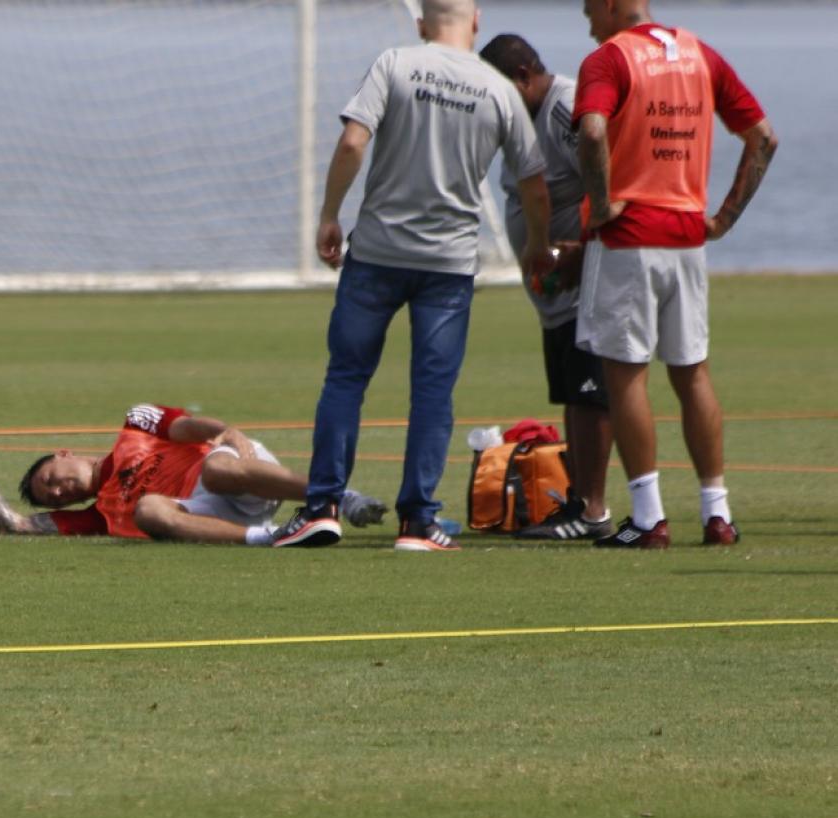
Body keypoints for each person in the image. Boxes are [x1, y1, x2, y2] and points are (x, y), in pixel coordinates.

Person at [273, 0, 551, 553]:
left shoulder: (394, 63)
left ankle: (321, 507)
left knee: (346, 379)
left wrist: (331, 214)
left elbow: (354, 142)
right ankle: (418, 522)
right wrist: (539, 249)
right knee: (432, 394)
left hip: (376, 254)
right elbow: (534, 183)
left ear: (422, 23)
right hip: (447, 267)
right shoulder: (497, 89)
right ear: (475, 23)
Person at [574, 0, 775, 548]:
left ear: (614, 3)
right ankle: (718, 514)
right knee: (693, 374)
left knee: (626, 375)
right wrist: (724, 218)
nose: (587, 17)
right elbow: (763, 136)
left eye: (590, 5)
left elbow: (592, 132)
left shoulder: (609, 59)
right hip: (687, 241)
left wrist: (599, 200)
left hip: (627, 242)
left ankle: (648, 517)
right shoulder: (698, 53)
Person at [480, 33, 615, 541]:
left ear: (523, 78)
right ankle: (577, 503)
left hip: (582, 281)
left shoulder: (564, 109)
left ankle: (593, 510)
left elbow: (606, 177)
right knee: (571, 397)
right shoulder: (524, 115)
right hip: (554, 292)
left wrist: (583, 248)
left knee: (590, 393)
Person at [0, 404, 387, 545]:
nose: (61, 490)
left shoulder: (134, 425)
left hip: (228, 467)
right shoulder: (101, 514)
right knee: (147, 511)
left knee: (222, 468)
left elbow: (185, 427)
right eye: (57, 498)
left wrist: (229, 432)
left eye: (52, 478)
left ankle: (342, 497)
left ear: (63, 452)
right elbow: (13, 524)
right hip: (206, 512)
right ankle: (275, 536)